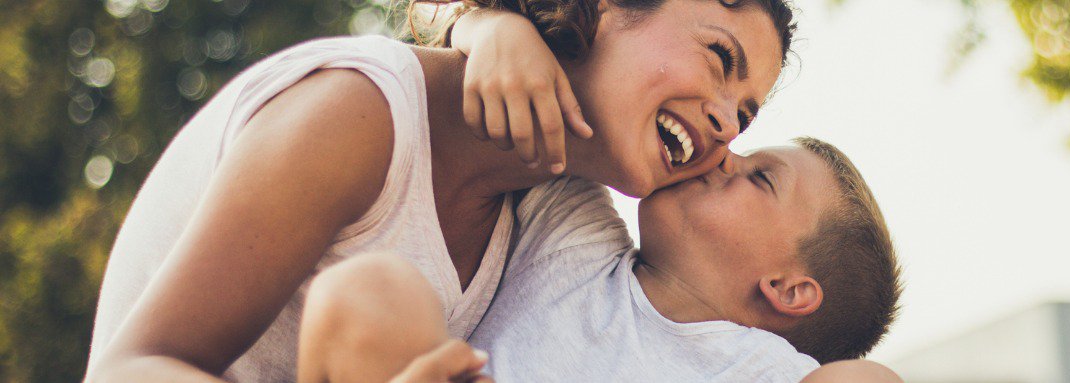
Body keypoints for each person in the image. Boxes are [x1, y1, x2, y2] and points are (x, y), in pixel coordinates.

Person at [84, 0, 793, 380]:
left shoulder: (554, 205)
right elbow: (128, 370)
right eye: (719, 58)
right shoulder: (360, 115)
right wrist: (485, 24)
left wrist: (485, 23)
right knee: (377, 305)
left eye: (747, 113)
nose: (729, 121)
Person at [297, 138, 903, 382]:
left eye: (760, 178)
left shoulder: (767, 371)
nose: (725, 154)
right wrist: (484, 33)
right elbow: (534, 81)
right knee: (366, 291)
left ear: (787, 289)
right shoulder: (579, 235)